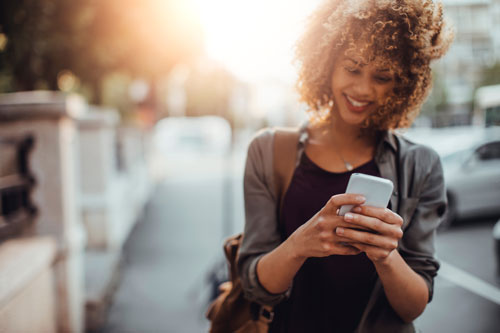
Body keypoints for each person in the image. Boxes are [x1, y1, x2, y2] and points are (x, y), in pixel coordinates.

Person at [237, 0, 454, 332]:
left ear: (403, 83)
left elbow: (412, 307)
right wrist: (300, 244)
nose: (363, 89)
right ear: (326, 64)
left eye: (382, 77)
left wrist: (385, 256)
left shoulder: (421, 165)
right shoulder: (267, 151)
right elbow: (254, 284)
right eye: (352, 68)